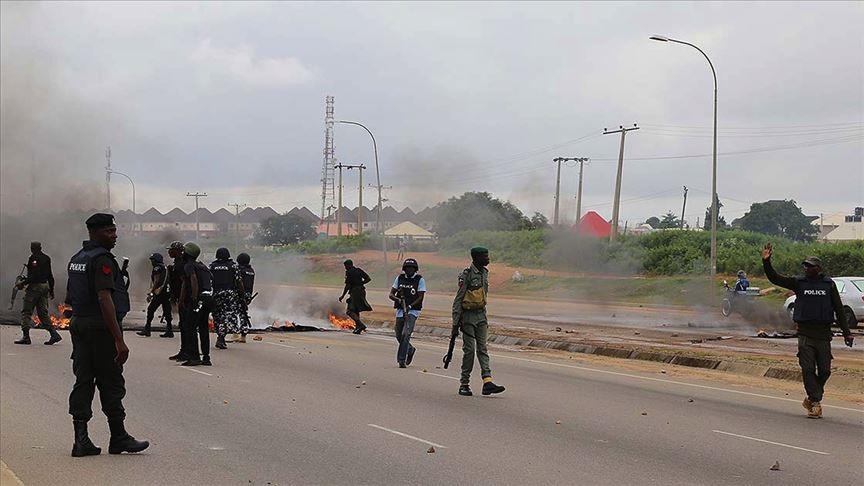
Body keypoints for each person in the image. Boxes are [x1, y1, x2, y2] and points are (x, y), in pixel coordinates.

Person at [66, 213, 149, 457]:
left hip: (79, 324)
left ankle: (81, 440)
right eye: (109, 231)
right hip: (100, 328)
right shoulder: (102, 259)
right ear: (95, 232)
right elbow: (105, 298)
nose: (114, 235)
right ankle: (119, 437)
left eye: (114, 231)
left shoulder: (77, 258)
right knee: (111, 381)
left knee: (83, 380)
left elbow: (70, 296)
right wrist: (119, 339)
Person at [761, 243, 853, 418]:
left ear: (818, 269)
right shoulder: (799, 283)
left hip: (824, 335)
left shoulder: (828, 285)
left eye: (810, 266)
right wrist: (767, 262)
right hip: (805, 334)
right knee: (808, 368)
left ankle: (812, 398)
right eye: (805, 265)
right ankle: (815, 402)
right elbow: (775, 278)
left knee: (825, 370)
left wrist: (847, 332)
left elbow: (839, 309)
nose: (806, 268)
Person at [452, 247, 505, 397]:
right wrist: (456, 323)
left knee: (482, 349)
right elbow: (458, 299)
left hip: (481, 316)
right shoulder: (466, 275)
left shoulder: (484, 273)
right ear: (476, 258)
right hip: (467, 318)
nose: (488, 259)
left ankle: (487, 382)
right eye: (485, 256)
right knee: (469, 351)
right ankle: (464, 384)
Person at [14, 241, 63, 345]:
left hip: (34, 288)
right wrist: (52, 290)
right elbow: (50, 275)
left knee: (26, 312)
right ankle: (54, 334)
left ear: (32, 248)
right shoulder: (46, 258)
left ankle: (26, 337)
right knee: (42, 313)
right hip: (45, 287)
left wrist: (23, 283)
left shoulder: (33, 258)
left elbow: (34, 276)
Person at [179, 242, 214, 366]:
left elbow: (193, 280)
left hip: (199, 299)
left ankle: (194, 357)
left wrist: (193, 298)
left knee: (190, 327)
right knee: (203, 327)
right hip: (208, 298)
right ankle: (206, 357)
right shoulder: (203, 266)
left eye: (184, 252)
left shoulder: (189, 266)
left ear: (187, 254)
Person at [389, 258, 426, 368]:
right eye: (408, 268)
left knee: (406, 334)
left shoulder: (419, 280)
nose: (410, 270)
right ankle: (410, 349)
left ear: (415, 270)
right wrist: (399, 300)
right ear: (404, 269)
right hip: (400, 310)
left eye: (412, 269)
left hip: (413, 311)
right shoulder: (399, 278)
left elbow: (420, 297)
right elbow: (391, 294)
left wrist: (410, 306)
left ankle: (401, 360)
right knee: (398, 334)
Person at [209, 247, 241, 350]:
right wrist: (242, 296)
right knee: (227, 317)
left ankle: (220, 335)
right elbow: (239, 282)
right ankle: (221, 337)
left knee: (218, 316)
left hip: (216, 294)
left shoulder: (212, 266)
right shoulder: (233, 266)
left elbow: (208, 281)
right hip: (229, 295)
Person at [137, 253, 173, 338]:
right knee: (167, 311)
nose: (151, 262)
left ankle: (147, 329)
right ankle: (169, 330)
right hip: (167, 292)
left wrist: (151, 293)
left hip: (160, 293)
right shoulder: (164, 267)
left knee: (151, 309)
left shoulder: (157, 268)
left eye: (152, 260)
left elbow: (156, 281)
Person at [167, 241, 190, 361]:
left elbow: (184, 284)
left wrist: (180, 299)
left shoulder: (181, 264)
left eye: (171, 249)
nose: (169, 252)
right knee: (183, 325)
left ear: (177, 251)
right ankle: (184, 350)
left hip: (185, 300)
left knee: (186, 326)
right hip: (181, 298)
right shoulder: (176, 263)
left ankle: (187, 352)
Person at [339, 259, 372, 334]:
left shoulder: (349, 272)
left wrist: (342, 296)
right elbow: (368, 279)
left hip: (355, 292)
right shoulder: (358, 270)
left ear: (349, 265)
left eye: (345, 266)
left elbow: (348, 285)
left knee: (349, 311)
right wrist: (361, 283)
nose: (345, 268)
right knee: (356, 310)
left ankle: (361, 325)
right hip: (362, 291)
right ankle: (358, 328)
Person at [231, 252, 255, 343]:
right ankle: (243, 336)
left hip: (238, 294)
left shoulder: (239, 270)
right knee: (243, 315)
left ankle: (235, 334)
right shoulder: (251, 270)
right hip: (248, 295)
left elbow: (236, 282)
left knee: (233, 314)